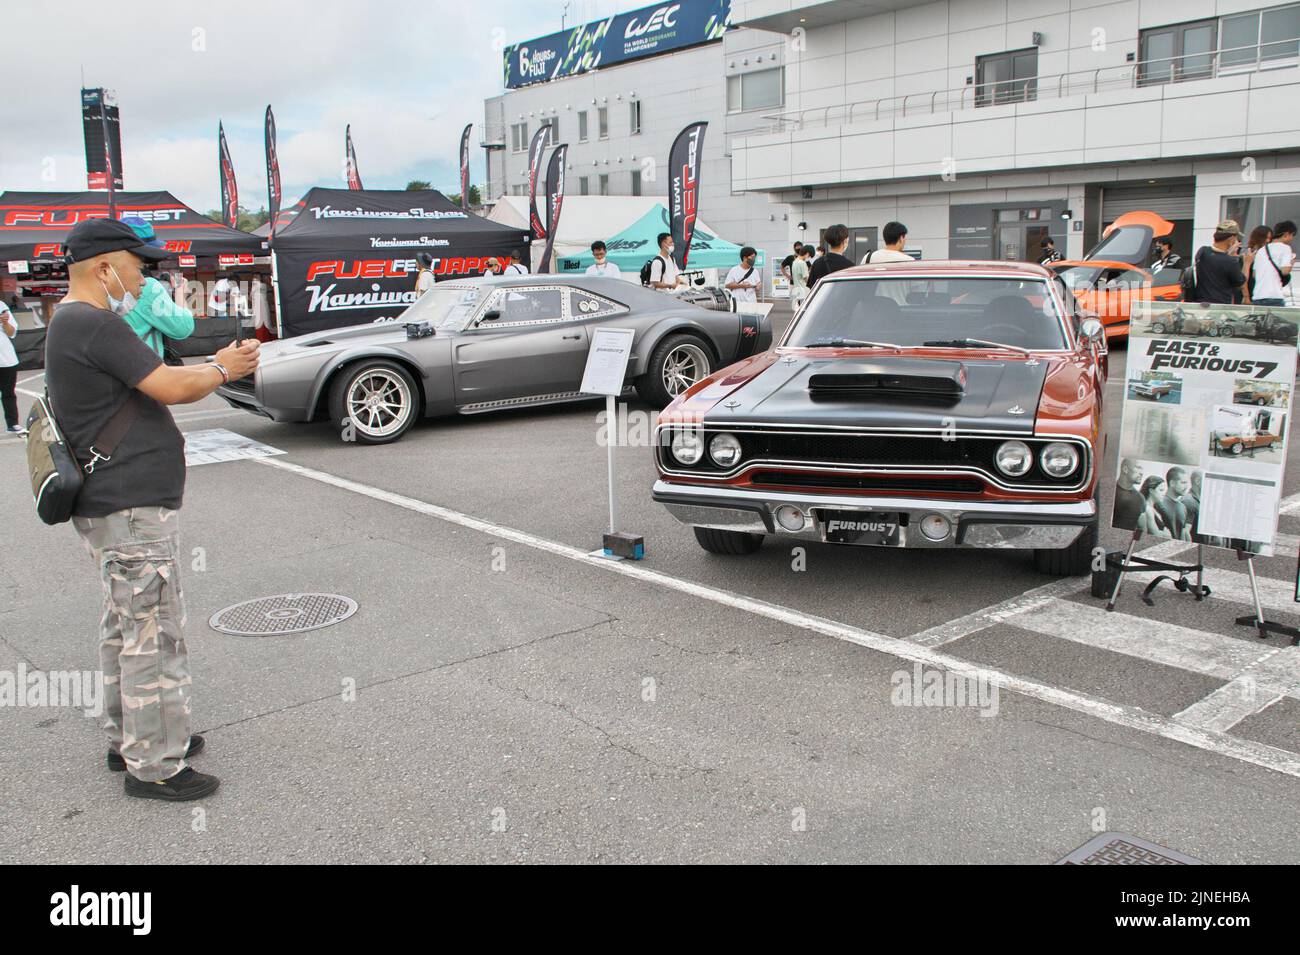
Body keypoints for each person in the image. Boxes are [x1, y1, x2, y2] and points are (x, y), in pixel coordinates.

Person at [46, 217, 259, 802]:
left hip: (111, 504)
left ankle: (134, 738)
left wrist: (210, 363)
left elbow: (150, 381)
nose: (144, 280)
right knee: (153, 635)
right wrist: (223, 369)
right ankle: (156, 765)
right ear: (104, 267)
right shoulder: (96, 323)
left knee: (125, 626)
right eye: (138, 267)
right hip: (130, 506)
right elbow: (168, 386)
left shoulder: (68, 322)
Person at [1193, 220, 1246, 305]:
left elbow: (1216, 260)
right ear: (1231, 238)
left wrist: (1228, 254)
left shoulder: (1203, 251)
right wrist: (1247, 263)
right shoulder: (1230, 262)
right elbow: (1240, 283)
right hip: (1220, 307)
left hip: (1201, 304)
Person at [1250, 220, 1296, 307]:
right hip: (1274, 296)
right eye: (1292, 235)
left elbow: (1254, 275)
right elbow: (1285, 271)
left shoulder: (1261, 250)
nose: (1292, 239)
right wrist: (1291, 263)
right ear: (1286, 234)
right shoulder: (1285, 248)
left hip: (1257, 297)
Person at [1153, 466, 1192, 541]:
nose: (1186, 487)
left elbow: (1182, 534)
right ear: (1172, 483)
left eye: (1187, 483)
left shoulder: (1183, 507)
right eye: (1183, 483)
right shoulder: (1158, 503)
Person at [0, 294, 19, 432]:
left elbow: (12, 332)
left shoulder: (1, 306)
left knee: (8, 393)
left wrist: (5, 323)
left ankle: (12, 424)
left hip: (6, 358)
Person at [1112, 458, 1145, 531]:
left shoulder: (1140, 498)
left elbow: (1141, 529)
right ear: (1125, 469)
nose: (1141, 473)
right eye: (1138, 467)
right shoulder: (1109, 491)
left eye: (1141, 468)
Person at [1243, 225, 1272, 304]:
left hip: (1262, 295)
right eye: (1266, 238)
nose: (1268, 241)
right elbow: (1242, 278)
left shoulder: (1268, 255)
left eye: (1270, 238)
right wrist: (1246, 296)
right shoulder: (1248, 254)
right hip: (1249, 295)